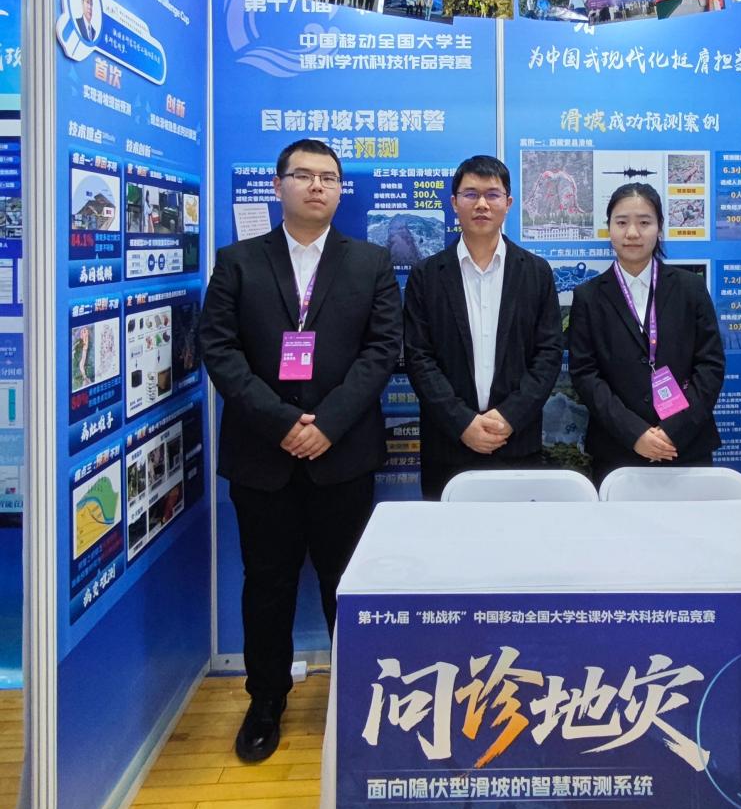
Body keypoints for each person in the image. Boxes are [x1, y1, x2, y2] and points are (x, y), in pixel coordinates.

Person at [200, 139, 402, 763]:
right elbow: (219, 350)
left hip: (342, 455)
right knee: (267, 584)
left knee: (347, 584)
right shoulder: (238, 261)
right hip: (263, 456)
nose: (317, 186)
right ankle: (265, 702)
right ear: (278, 186)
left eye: (329, 178)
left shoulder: (370, 262)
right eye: (304, 175)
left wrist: (328, 424)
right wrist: (283, 422)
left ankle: (354, 699)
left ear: (340, 191)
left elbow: (382, 350)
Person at [403, 154, 563, 501]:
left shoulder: (536, 272)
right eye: (470, 194)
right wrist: (462, 422)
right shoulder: (426, 276)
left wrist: (509, 417)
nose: (481, 204)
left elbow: (548, 355)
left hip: (516, 442)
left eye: (492, 195)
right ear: (454, 203)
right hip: (448, 445)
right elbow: (419, 358)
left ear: (508, 203)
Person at [568, 183, 725, 485]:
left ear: (659, 228)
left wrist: (673, 430)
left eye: (644, 222)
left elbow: (711, 366)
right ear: (609, 228)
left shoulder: (690, 288)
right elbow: (585, 374)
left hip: (686, 445)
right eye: (621, 222)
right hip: (617, 448)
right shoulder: (588, 296)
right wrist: (635, 433)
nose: (632, 233)